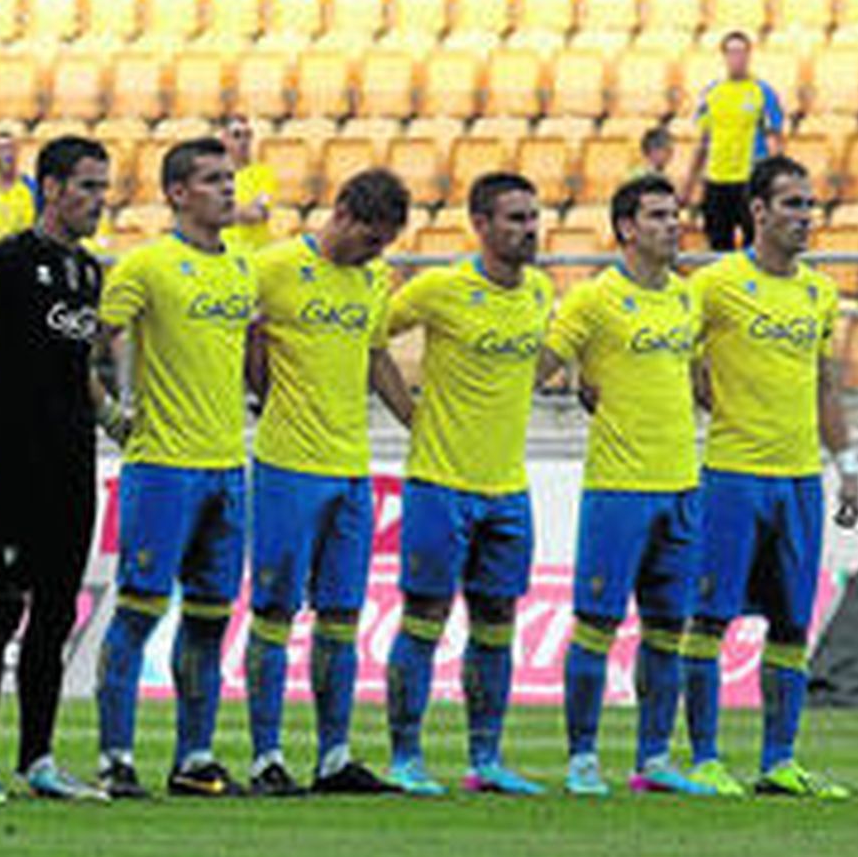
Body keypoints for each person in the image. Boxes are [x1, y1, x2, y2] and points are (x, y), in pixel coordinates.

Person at [682, 155, 858, 799]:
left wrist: (848, 468)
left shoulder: (818, 292)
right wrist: (714, 402)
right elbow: (681, 359)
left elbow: (826, 388)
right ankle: (703, 758)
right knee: (710, 617)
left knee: (790, 626)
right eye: (791, 204)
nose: (804, 217)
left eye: (809, 205)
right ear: (757, 211)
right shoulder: (717, 282)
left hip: (798, 482)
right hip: (732, 476)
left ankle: (779, 762)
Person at [537, 175, 711, 798]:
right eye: (660, 215)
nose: (675, 224)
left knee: (668, 628)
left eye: (677, 214)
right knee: (596, 624)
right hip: (619, 489)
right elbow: (540, 366)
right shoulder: (593, 300)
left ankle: (654, 758)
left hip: (682, 486)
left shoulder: (688, 300)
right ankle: (583, 758)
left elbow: (697, 384)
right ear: (627, 228)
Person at [95, 137, 257, 799]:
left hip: (227, 464)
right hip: (162, 465)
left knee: (211, 619)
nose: (228, 189)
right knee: (137, 611)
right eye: (214, 179)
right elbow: (92, 342)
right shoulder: (147, 266)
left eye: (230, 178)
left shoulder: (242, 270)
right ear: (178, 193)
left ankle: (194, 756)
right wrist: (109, 414)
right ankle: (115, 757)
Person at [382, 172, 552, 797]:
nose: (528, 230)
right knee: (424, 614)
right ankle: (406, 756)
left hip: (508, 486)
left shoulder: (538, 291)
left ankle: (487, 759)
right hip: (440, 482)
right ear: (480, 225)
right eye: (515, 219)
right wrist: (409, 412)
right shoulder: (440, 289)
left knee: (497, 619)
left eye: (533, 217)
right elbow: (372, 338)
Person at [246, 169, 414, 797]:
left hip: (350, 467)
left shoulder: (373, 280)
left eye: (384, 244)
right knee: (273, 610)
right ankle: (266, 756)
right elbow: (246, 337)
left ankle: (333, 755)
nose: (377, 253)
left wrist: (417, 422)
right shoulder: (276, 266)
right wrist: (264, 392)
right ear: (340, 212)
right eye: (371, 239)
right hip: (288, 465)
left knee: (342, 614)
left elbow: (375, 358)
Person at [0, 137, 114, 802]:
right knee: (1, 608)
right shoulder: (1, 263)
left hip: (75, 462)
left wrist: (109, 415)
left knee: (56, 614)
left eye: (104, 189)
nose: (98, 201)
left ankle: (39, 758)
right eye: (87, 187)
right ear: (49, 188)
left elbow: (77, 369)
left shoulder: (89, 274)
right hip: (13, 460)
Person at [683, 31, 785, 252]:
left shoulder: (762, 92)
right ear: (724, 56)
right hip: (717, 180)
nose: (736, 57)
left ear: (749, 55)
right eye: (731, 52)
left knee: (755, 245)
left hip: (748, 180)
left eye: (741, 52)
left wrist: (775, 184)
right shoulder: (711, 93)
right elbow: (702, 141)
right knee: (718, 246)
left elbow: (774, 141)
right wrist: (688, 185)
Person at [220, 114, 274, 255]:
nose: (243, 141)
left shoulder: (264, 173)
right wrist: (244, 209)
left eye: (248, 135)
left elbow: (258, 214)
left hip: (255, 254)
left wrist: (223, 210)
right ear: (224, 139)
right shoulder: (215, 174)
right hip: (224, 254)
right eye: (237, 135)